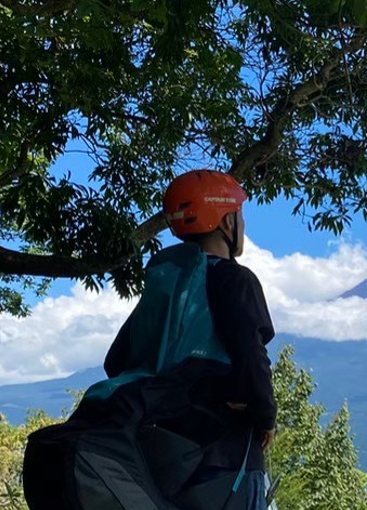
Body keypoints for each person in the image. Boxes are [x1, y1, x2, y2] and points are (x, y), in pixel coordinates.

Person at [101, 169, 277, 509]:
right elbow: (251, 357)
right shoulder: (235, 280)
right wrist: (265, 416)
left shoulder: (166, 286)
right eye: (239, 216)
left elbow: (116, 362)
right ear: (226, 221)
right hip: (226, 459)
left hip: (164, 460)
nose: (242, 225)